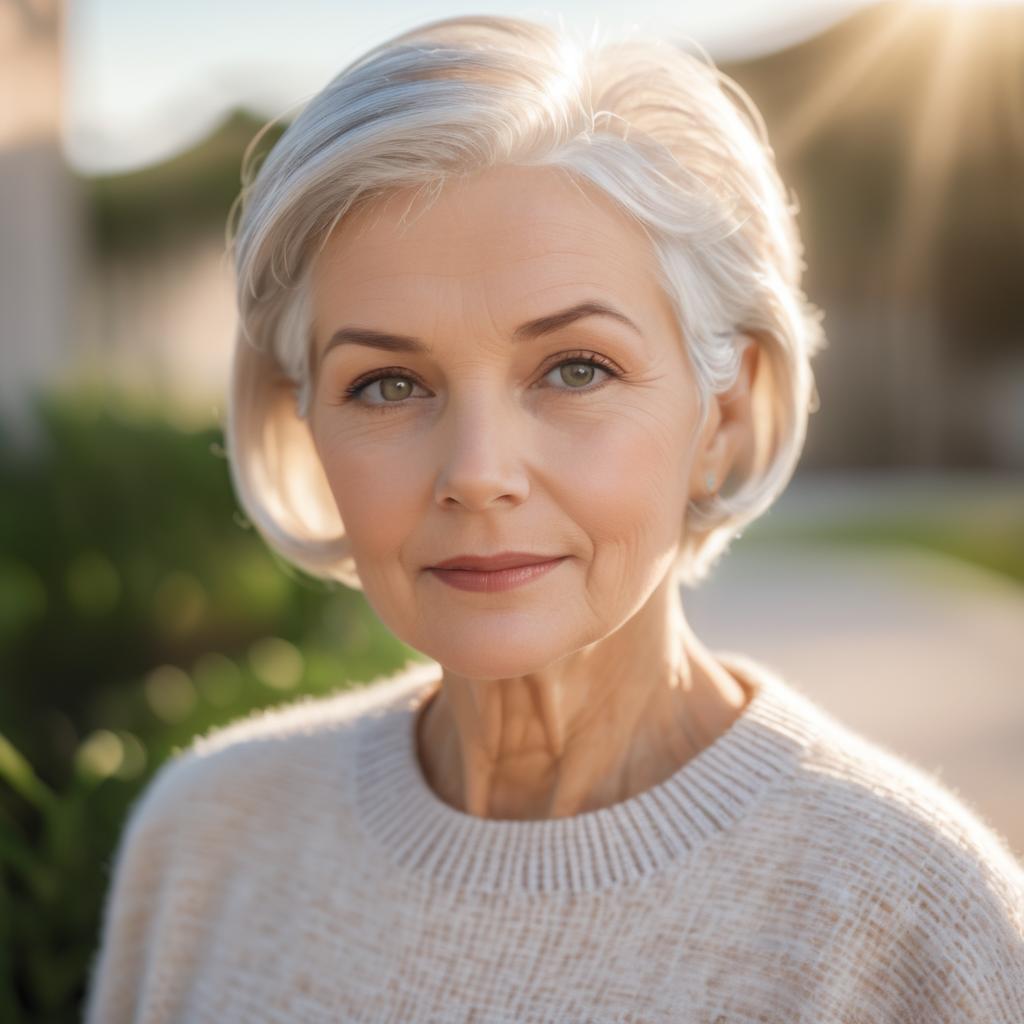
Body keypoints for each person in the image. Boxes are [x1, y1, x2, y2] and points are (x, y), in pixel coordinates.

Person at [82, 14, 1023, 1022]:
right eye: (388, 383)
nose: (477, 475)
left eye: (576, 368)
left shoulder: (906, 912)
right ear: (303, 417)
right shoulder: (205, 836)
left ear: (726, 411)